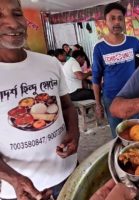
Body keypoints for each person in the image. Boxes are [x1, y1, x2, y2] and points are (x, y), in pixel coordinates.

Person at [0, 0, 79, 199]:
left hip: (68, 172)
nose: (13, 23)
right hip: (20, 191)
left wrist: (74, 132)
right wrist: (13, 178)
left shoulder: (49, 63)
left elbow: (67, 107)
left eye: (17, 13)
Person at [92, 2, 139, 138]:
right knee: (117, 134)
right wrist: (98, 104)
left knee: (138, 132)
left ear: (124, 21)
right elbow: (96, 78)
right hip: (111, 98)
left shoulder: (133, 42)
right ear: (105, 21)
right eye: (112, 18)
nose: (117, 22)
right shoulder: (99, 48)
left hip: (133, 96)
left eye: (120, 18)